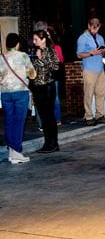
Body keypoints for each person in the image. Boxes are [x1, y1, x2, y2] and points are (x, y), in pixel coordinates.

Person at [0, 33, 36, 164]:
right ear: (17, 44)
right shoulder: (23, 56)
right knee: (19, 122)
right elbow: (32, 75)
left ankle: (11, 152)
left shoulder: (1, 58)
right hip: (20, 92)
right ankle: (17, 152)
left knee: (9, 121)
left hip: (5, 93)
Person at [30, 30, 60, 153]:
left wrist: (41, 59)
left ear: (43, 39)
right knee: (44, 117)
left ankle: (52, 144)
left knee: (49, 117)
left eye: (36, 39)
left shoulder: (50, 50)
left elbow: (56, 66)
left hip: (47, 87)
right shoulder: (36, 51)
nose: (34, 41)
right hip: (38, 87)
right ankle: (48, 143)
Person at [76, 18, 105, 126]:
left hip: (100, 69)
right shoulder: (82, 38)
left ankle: (100, 116)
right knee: (88, 94)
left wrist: (103, 51)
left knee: (101, 94)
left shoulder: (100, 37)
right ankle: (89, 116)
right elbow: (79, 54)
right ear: (89, 26)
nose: (95, 31)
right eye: (94, 28)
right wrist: (91, 53)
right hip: (89, 69)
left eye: (97, 28)